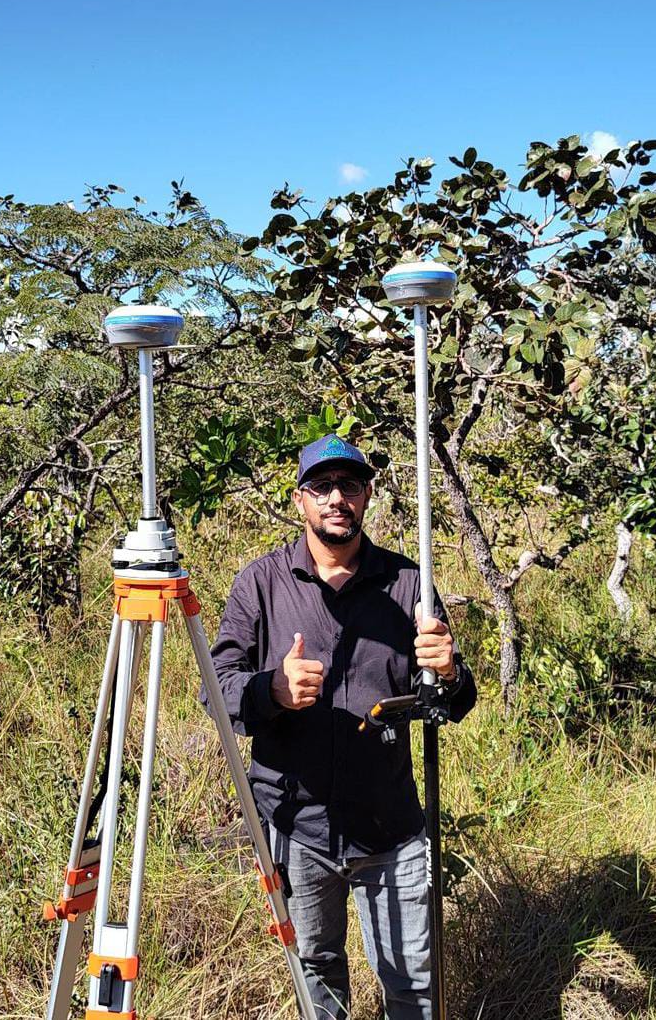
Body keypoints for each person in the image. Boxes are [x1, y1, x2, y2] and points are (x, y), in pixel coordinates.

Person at [204, 433, 477, 1020]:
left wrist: (447, 671)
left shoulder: (408, 582)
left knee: (412, 985)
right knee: (317, 978)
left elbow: (454, 701)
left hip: (391, 829)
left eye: (349, 486)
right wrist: (270, 689)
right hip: (294, 824)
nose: (336, 499)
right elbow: (216, 688)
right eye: (321, 487)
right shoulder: (261, 583)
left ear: (368, 496)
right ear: (300, 500)